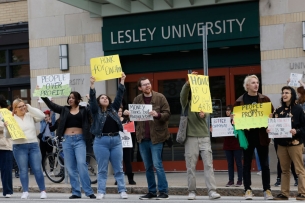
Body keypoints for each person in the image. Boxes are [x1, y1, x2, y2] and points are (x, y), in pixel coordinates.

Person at [124, 76, 171, 200]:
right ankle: (151, 191)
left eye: (148, 83)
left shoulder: (160, 97)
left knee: (158, 164)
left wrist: (158, 114)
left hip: (157, 137)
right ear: (140, 88)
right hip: (142, 138)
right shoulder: (137, 99)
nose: (147, 86)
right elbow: (133, 118)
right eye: (144, 85)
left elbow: (167, 114)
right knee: (148, 166)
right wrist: (128, 114)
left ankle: (163, 191)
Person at [41, 93, 96, 199]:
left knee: (81, 163)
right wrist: (43, 96)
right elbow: (52, 106)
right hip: (67, 140)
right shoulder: (64, 109)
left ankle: (88, 191)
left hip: (80, 139)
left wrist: (91, 99)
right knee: (70, 167)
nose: (70, 99)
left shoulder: (84, 110)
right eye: (69, 98)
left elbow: (94, 112)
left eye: (73, 98)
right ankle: (76, 192)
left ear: (78, 99)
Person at [180, 72, 221, 200]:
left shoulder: (204, 102)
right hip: (191, 137)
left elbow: (206, 114)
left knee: (208, 165)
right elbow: (183, 95)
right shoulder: (186, 103)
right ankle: (191, 191)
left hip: (204, 136)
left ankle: (212, 191)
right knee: (190, 166)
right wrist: (188, 83)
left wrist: (204, 115)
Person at [233, 75, 274, 200]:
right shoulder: (240, 101)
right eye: (253, 83)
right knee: (247, 164)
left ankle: (267, 189)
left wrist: (271, 122)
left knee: (264, 164)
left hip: (262, 136)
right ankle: (248, 189)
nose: (256, 85)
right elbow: (234, 120)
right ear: (247, 86)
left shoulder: (265, 99)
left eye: (257, 82)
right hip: (247, 137)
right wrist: (233, 121)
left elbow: (272, 117)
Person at [89, 74, 128, 200]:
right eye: (102, 98)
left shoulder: (113, 109)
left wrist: (122, 81)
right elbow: (92, 100)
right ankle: (101, 191)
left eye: (106, 98)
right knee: (102, 169)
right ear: (99, 101)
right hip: (101, 141)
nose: (105, 99)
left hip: (116, 140)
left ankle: (122, 190)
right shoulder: (96, 111)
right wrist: (92, 85)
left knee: (119, 168)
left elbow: (119, 96)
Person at [269, 86, 305, 200]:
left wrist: (297, 131)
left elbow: (304, 126)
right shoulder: (278, 110)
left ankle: (302, 193)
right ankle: (284, 193)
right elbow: (272, 124)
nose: (284, 95)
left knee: (299, 169)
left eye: (287, 93)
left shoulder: (299, 109)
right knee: (284, 170)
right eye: (283, 93)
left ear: (292, 95)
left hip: (295, 143)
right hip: (281, 144)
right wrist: (269, 129)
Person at [6, 99, 47, 199]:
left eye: (23, 105)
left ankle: (42, 191)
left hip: (33, 145)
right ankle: (25, 191)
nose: (23, 108)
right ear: (14, 109)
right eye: (20, 107)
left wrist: (29, 107)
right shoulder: (12, 118)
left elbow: (42, 116)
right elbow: (8, 136)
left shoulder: (30, 116)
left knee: (37, 169)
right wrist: (7, 127)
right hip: (19, 147)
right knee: (23, 170)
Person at [223, 105, 242, 187]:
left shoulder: (237, 120)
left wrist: (233, 119)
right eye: (226, 110)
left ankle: (240, 180)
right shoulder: (223, 121)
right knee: (230, 163)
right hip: (227, 144)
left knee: (238, 163)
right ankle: (231, 180)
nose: (228, 112)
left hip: (236, 144)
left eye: (229, 110)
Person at [117, 106, 136, 185]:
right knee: (118, 162)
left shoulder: (126, 120)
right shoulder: (113, 120)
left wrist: (129, 116)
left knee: (127, 161)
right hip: (117, 144)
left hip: (126, 143)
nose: (119, 112)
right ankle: (118, 179)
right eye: (118, 111)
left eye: (121, 111)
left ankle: (130, 179)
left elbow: (133, 128)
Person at [0, 99, 13, 198]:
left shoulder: (8, 113)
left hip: (6, 145)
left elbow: (12, 126)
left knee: (7, 169)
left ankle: (7, 190)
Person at [37, 102, 56, 170]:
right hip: (43, 139)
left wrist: (51, 101)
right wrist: (39, 103)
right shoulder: (42, 122)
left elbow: (53, 113)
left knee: (50, 155)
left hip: (50, 139)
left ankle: (51, 169)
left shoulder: (51, 122)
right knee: (43, 155)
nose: (46, 117)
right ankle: (44, 170)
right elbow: (39, 113)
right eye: (45, 116)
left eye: (47, 116)